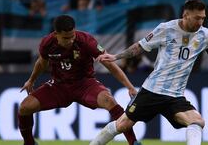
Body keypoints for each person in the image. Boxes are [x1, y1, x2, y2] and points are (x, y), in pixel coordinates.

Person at [90, 0, 208, 145]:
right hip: (152, 90)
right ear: (185, 15)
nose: (200, 22)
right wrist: (117, 57)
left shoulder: (205, 35)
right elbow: (139, 46)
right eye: (197, 18)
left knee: (197, 121)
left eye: (203, 18)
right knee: (123, 124)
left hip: (175, 95)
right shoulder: (166, 29)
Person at [18, 15, 140, 145]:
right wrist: (31, 80)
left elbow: (109, 64)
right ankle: (29, 143)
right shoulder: (47, 43)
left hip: (85, 85)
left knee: (109, 101)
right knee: (24, 107)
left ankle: (133, 142)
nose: (70, 40)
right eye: (66, 38)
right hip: (59, 86)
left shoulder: (86, 40)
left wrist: (130, 86)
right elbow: (41, 63)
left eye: (72, 36)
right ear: (56, 34)